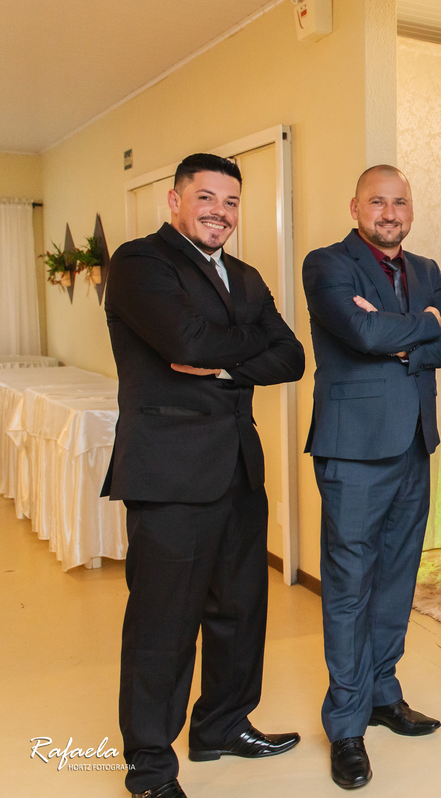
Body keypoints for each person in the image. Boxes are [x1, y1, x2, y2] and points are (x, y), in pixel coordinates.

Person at [103, 153, 305, 798]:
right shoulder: (140, 262)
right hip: (169, 472)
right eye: (207, 197)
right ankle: (150, 767)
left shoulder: (244, 276)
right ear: (175, 200)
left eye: (232, 201)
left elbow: (292, 356)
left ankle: (222, 725)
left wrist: (220, 362)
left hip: (238, 469)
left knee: (240, 610)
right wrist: (235, 346)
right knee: (163, 624)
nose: (221, 212)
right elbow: (182, 342)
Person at [302, 165, 441, 790]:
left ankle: (382, 693)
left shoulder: (426, 269)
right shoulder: (327, 264)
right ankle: (346, 725)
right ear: (355, 207)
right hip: (353, 450)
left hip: (414, 443)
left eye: (399, 202)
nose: (389, 212)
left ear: (411, 210)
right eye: (377, 201)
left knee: (397, 578)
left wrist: (403, 339)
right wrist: (424, 324)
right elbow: (362, 331)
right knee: (349, 585)